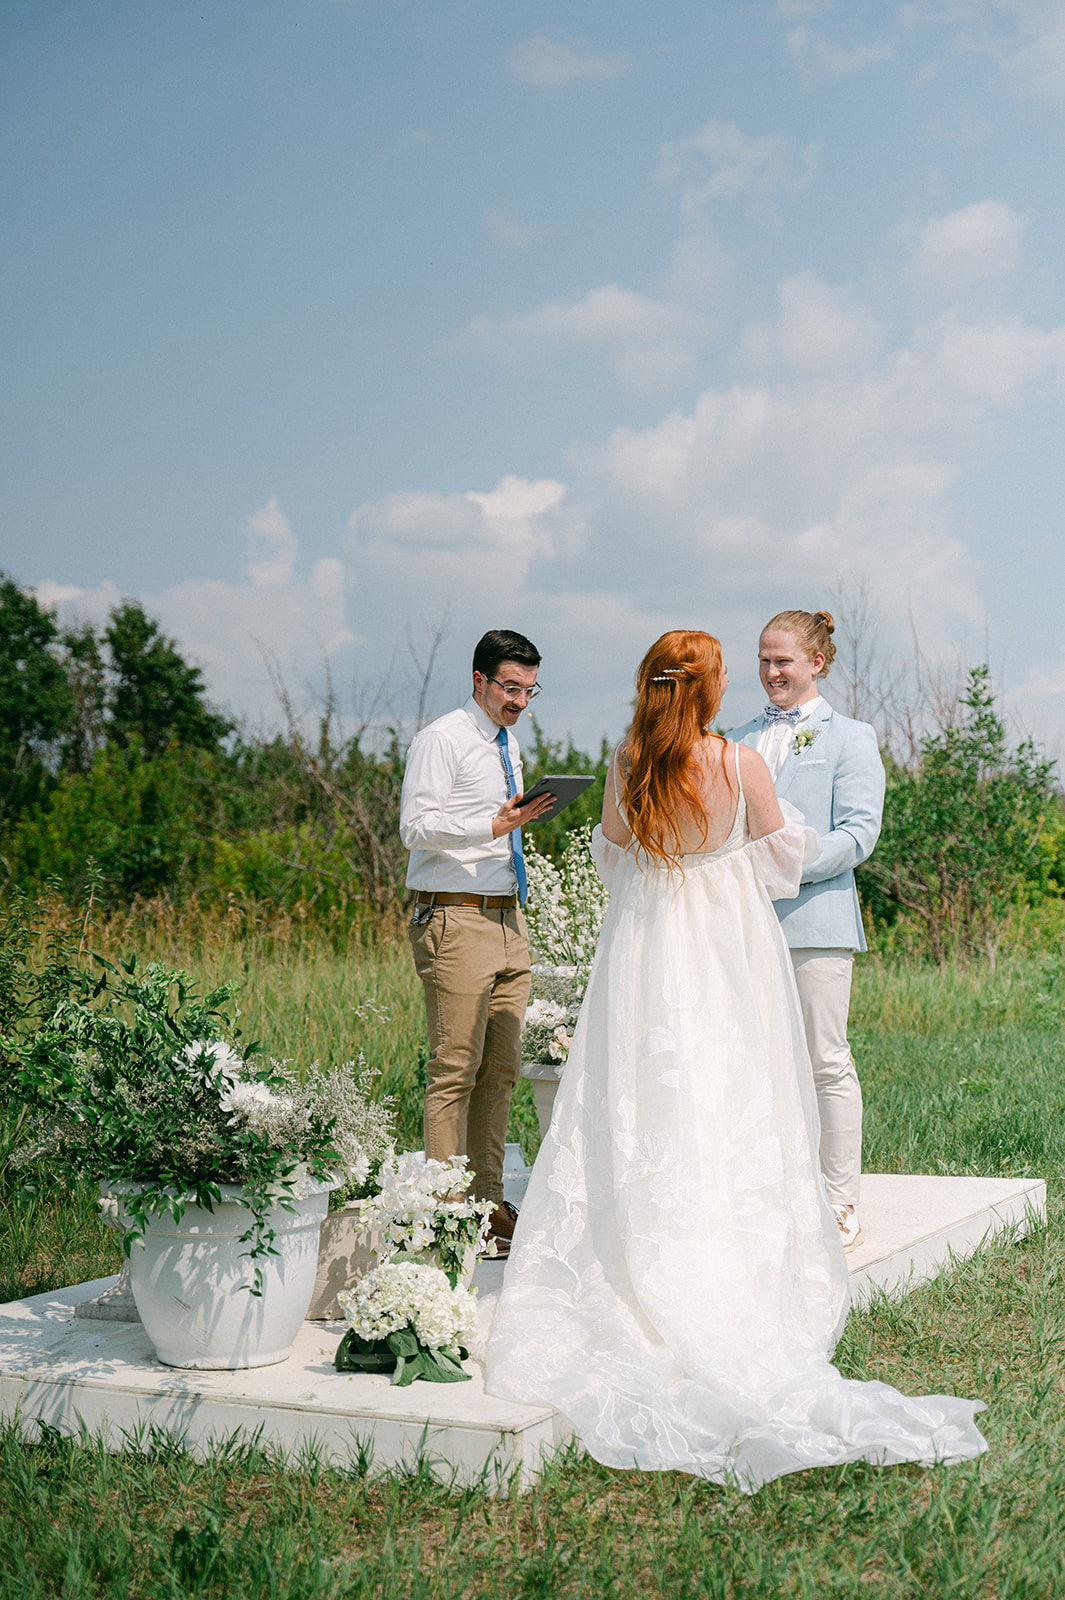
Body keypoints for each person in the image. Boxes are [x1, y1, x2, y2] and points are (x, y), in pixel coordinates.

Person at [485, 630, 985, 1490]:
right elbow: (782, 853)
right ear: (711, 689)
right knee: (728, 1090)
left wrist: (665, 867)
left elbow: (609, 856)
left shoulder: (625, 761)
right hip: (723, 950)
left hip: (643, 948)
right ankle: (724, 1254)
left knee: (639, 1091)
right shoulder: (737, 761)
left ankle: (633, 1251)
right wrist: (718, 869)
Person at [728, 610, 883, 1252]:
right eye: (763, 660)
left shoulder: (851, 737)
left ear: (816, 662)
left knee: (825, 1060)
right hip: (740, 925)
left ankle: (838, 1198)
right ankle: (767, 1192)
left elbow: (858, 833)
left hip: (816, 923)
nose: (770, 673)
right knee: (752, 1062)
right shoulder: (734, 739)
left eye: (782, 661)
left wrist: (787, 867)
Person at [399, 629, 554, 1257]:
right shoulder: (442, 739)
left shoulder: (508, 742)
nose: (519, 701)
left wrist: (521, 818)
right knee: (453, 1071)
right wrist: (493, 825)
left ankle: (489, 1207)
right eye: (510, 688)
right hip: (455, 919)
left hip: (508, 918)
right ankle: (444, 1217)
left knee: (502, 1071)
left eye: (529, 690)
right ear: (479, 681)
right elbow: (416, 827)